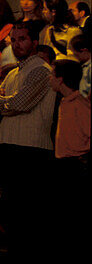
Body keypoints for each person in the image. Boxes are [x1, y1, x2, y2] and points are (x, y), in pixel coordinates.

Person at [0, 21, 55, 258]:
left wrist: (1, 101)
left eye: (22, 39)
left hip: (32, 149)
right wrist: (2, 101)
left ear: (34, 42)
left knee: (28, 214)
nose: (16, 44)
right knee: (13, 211)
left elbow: (19, 104)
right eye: (13, 40)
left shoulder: (41, 71)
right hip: (12, 147)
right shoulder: (14, 72)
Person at [48, 59, 89, 221]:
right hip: (64, 164)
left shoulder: (80, 104)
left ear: (60, 79)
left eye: (52, 74)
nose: (49, 78)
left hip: (76, 166)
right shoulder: (65, 102)